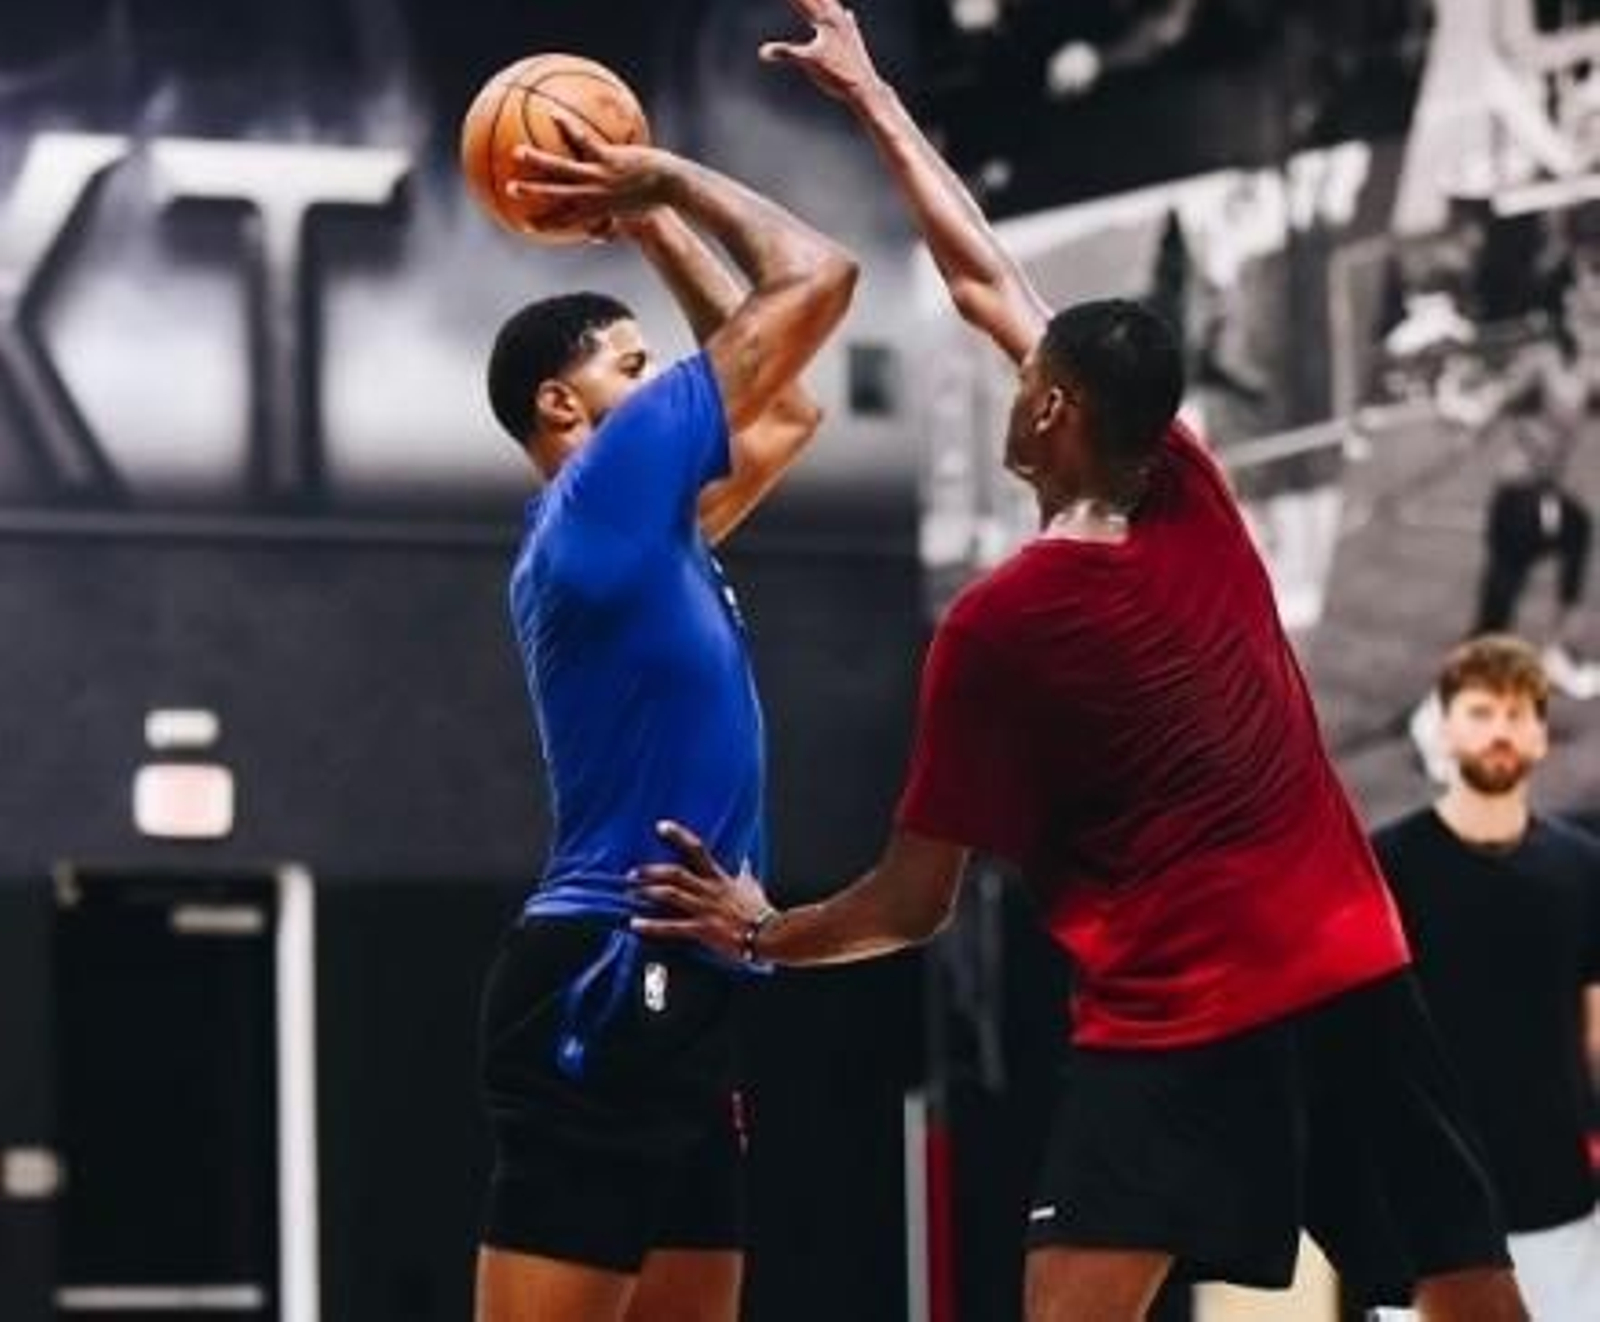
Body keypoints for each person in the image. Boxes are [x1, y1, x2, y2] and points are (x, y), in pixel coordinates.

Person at [631, 3, 1529, 1318]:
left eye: (1024, 375)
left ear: (1051, 405)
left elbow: (911, 903)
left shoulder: (1005, 625)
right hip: (1353, 963)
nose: (1009, 372)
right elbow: (988, 282)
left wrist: (763, 929)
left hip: (1189, 1016)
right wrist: (878, 99)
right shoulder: (1190, 483)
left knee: (1068, 1305)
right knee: (1467, 1291)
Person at [473, 122, 857, 1322]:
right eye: (630, 363)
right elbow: (818, 275)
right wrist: (667, 183)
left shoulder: (647, 531)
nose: (661, 379)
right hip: (603, 956)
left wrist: (643, 225)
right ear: (560, 401)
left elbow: (787, 416)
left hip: (686, 967)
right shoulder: (604, 486)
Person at [1373, 635, 1600, 1322]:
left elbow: (1596, 1030)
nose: (1499, 729)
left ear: (1539, 735)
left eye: (1516, 713)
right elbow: (1359, 1041)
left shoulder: (1584, 868)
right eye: (1480, 711)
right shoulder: (1385, 866)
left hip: (1558, 1199)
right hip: (1425, 1205)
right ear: (1445, 726)